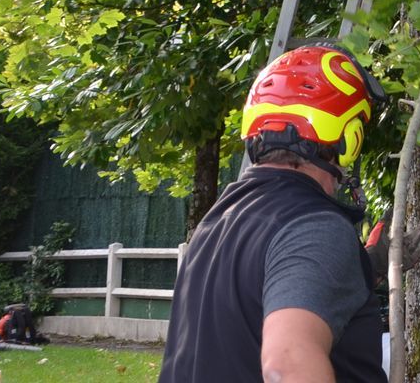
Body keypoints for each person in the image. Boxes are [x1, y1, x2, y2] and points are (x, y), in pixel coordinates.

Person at [158, 43, 388, 383]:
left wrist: (365, 267)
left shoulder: (218, 222)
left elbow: (262, 295)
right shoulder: (316, 228)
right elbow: (288, 366)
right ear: (349, 138)